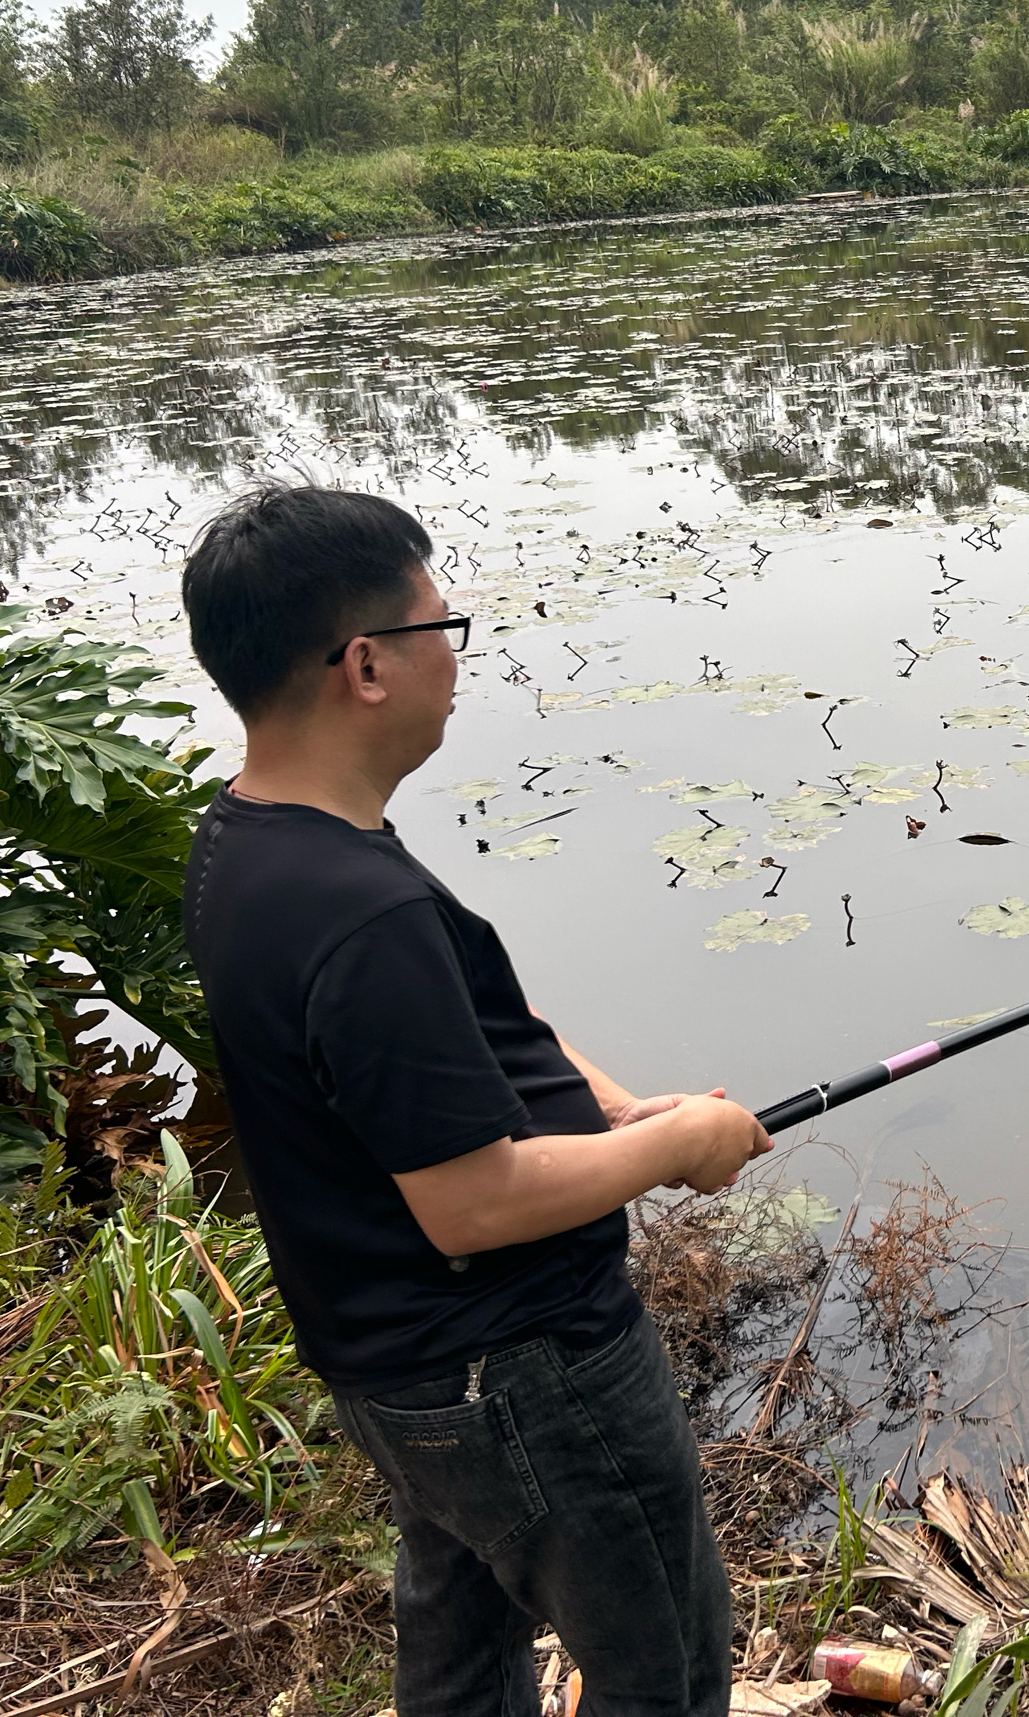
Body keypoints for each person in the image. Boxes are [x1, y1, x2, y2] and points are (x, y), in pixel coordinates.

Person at [179, 485, 768, 1717]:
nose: (458, 658)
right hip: (521, 1370)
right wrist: (678, 1147)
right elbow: (472, 1201)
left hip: (396, 1369)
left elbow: (462, 1031)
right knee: (663, 1671)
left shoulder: (259, 843)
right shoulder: (362, 911)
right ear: (367, 666)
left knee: (458, 1652)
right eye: (443, 629)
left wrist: (611, 1106)